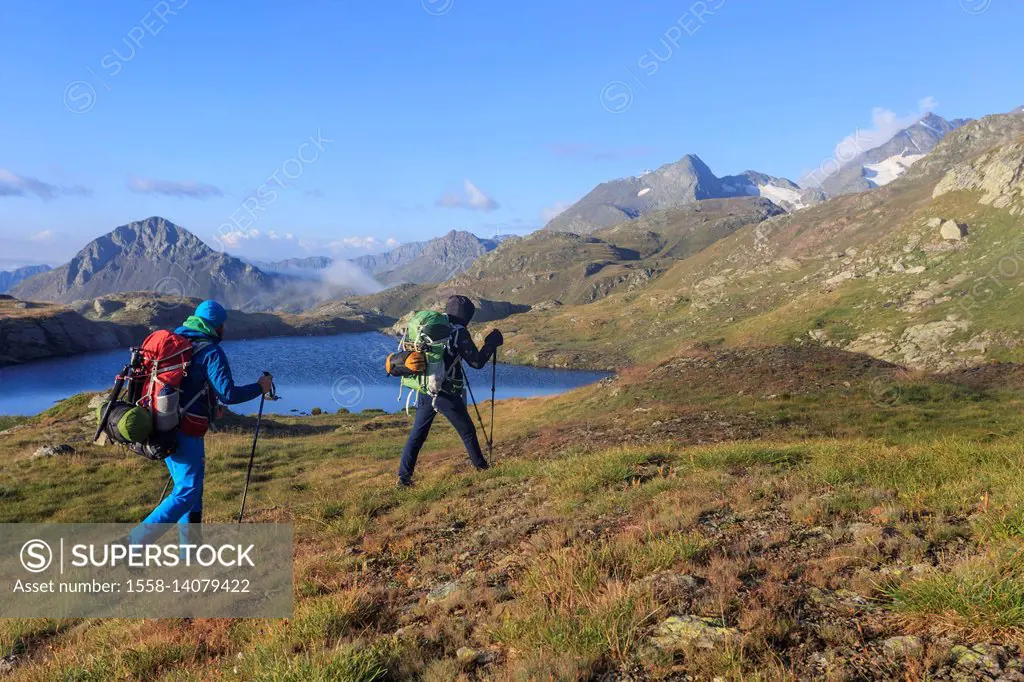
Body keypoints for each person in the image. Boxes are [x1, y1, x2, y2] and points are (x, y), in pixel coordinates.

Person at [131, 300, 273, 544]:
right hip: (186, 431)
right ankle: (133, 543)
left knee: (190, 490)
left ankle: (191, 550)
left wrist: (210, 408)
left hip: (160, 422)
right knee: (187, 492)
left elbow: (186, 386)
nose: (223, 330)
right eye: (222, 325)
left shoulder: (176, 342)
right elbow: (229, 394)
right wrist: (260, 387)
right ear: (217, 325)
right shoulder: (210, 351)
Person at [398, 295, 503, 487]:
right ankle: (482, 469)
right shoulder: (459, 332)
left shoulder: (434, 329)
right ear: (466, 316)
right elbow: (476, 362)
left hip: (425, 388)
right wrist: (490, 344)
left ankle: (403, 479)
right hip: (446, 392)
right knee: (468, 432)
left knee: (417, 435)